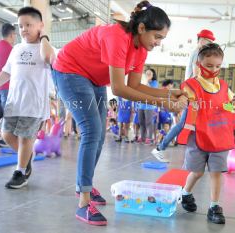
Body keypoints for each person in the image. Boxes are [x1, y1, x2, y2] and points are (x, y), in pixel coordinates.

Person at [51, 1, 187, 226]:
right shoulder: (117, 37)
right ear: (142, 29)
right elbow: (119, 89)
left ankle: (84, 185)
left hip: (93, 79)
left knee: (99, 135)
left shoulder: (142, 49)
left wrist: (168, 94)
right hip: (69, 71)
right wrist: (162, 104)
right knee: (91, 131)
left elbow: (136, 85)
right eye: (157, 37)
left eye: (162, 39)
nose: (158, 43)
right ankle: (84, 203)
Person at [0, 7, 55, 188]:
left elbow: (49, 58)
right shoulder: (16, 48)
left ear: (40, 25)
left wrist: (44, 36)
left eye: (29, 25)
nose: (24, 29)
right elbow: (6, 72)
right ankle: (27, 157)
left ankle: (21, 171)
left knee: (25, 138)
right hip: (14, 102)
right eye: (21, 26)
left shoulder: (45, 47)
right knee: (6, 134)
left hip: (34, 104)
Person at [177, 43, 235, 224]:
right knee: (197, 172)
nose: (214, 69)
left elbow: (229, 104)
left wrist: (231, 108)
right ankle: (185, 193)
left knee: (216, 171)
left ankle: (214, 206)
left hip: (220, 135)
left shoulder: (225, 86)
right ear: (199, 64)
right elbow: (181, 100)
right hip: (198, 135)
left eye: (218, 66)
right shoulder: (190, 85)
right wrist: (181, 101)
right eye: (209, 66)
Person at [151, 29, 215, 162]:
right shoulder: (198, 53)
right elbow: (198, 75)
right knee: (183, 123)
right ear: (201, 40)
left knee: (193, 122)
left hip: (192, 91)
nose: (210, 44)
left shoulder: (197, 53)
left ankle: (201, 151)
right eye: (209, 41)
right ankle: (160, 148)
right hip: (193, 92)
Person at [137, 68, 158, 144]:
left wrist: (146, 81)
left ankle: (149, 138)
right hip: (140, 105)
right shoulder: (141, 82)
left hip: (149, 106)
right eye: (147, 73)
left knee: (148, 122)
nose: (148, 75)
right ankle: (142, 137)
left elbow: (150, 91)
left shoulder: (154, 82)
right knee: (141, 122)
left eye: (150, 74)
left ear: (153, 75)